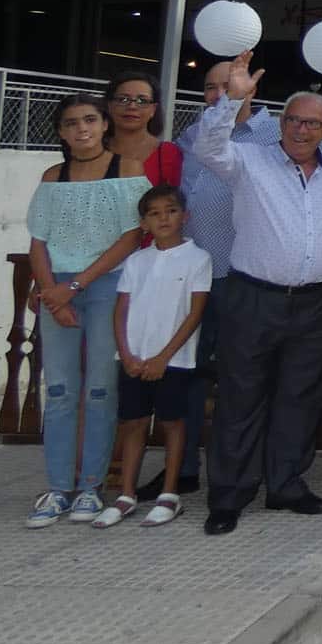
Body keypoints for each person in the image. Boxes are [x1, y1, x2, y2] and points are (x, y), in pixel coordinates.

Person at [191, 52, 322, 536]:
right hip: (254, 296)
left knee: (301, 397)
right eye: (297, 121)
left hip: (314, 301)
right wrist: (234, 99)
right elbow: (206, 145)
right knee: (241, 396)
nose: (304, 130)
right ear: (282, 122)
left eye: (315, 124)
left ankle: (285, 484)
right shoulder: (247, 160)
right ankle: (229, 495)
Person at [153, 59, 279, 499]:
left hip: (240, 277)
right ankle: (180, 470)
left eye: (228, 87)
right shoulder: (191, 137)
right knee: (185, 376)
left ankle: (238, 472)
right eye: (210, 88)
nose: (219, 96)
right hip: (189, 278)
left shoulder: (274, 136)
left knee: (242, 381)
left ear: (251, 88)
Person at [24, 96, 150, 527]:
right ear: (60, 131)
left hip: (104, 287)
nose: (82, 129)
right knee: (58, 391)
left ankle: (92, 487)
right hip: (56, 288)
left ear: (103, 124)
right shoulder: (52, 176)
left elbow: (131, 236)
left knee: (99, 389)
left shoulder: (127, 169)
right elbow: (38, 240)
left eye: (90, 120)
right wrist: (50, 292)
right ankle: (58, 487)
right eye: (71, 123)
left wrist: (76, 285)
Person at [95, 186, 210, 528]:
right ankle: (126, 494)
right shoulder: (136, 261)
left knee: (172, 423)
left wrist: (163, 357)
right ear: (143, 222)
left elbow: (194, 312)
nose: (164, 218)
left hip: (173, 361)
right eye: (154, 213)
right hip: (133, 358)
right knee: (132, 423)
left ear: (184, 216)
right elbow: (121, 312)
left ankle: (169, 494)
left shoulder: (198, 258)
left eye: (171, 211)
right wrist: (128, 355)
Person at [102, 72, 183, 185]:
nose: (132, 106)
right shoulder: (94, 149)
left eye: (142, 101)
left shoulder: (169, 153)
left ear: (153, 109)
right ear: (109, 106)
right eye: (123, 99)